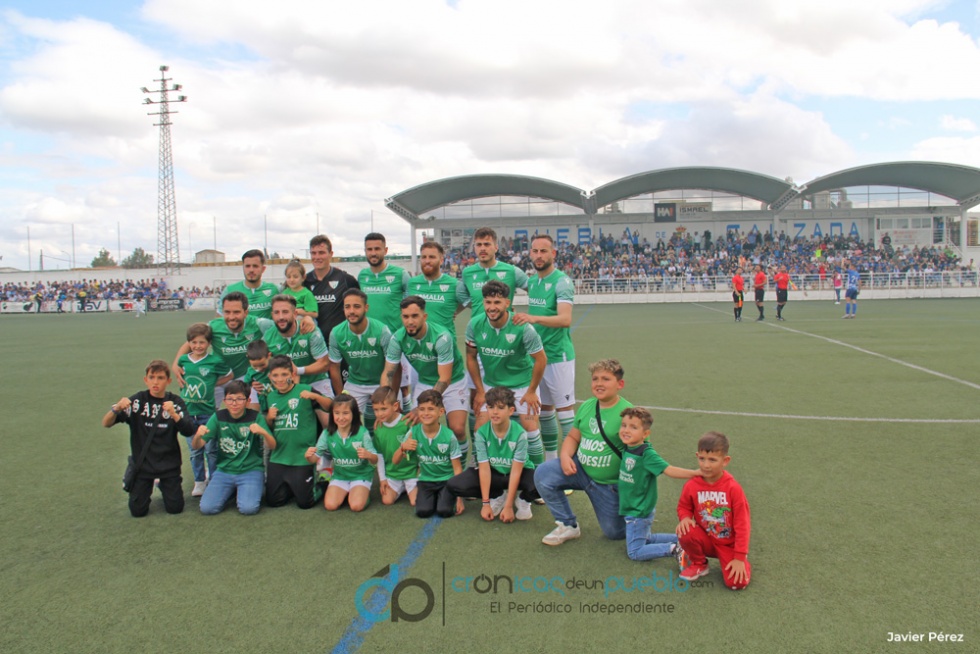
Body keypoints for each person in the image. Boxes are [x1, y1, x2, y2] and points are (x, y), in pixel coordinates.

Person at [533, 359, 633, 546]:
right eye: (595, 379)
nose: (599, 383)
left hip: (608, 484)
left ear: (620, 384)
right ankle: (567, 524)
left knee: (614, 532)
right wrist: (565, 457)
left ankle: (630, 515)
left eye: (606, 379)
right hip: (581, 471)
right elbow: (573, 437)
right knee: (543, 473)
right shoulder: (588, 406)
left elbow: (639, 455)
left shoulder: (628, 414)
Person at [102, 360, 198, 517]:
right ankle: (147, 485)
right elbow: (106, 423)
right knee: (138, 511)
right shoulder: (137, 401)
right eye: (152, 377)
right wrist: (116, 408)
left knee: (175, 508)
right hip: (143, 466)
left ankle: (162, 484)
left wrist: (174, 414)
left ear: (168, 381)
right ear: (145, 380)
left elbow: (188, 431)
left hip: (169, 465)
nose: (155, 382)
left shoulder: (175, 402)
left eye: (160, 378)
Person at [465, 280, 546, 463]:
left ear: (507, 303)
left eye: (497, 302)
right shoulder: (474, 325)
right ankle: (479, 469)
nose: (492, 307)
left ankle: (537, 475)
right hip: (491, 385)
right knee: (480, 428)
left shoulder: (523, 327)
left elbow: (541, 359)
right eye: (488, 302)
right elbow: (470, 357)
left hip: (522, 385)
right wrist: (480, 391)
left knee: (531, 429)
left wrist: (531, 391)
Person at [512, 234, 576, 461]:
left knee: (565, 412)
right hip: (538, 357)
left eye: (544, 251)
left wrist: (533, 318)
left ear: (553, 254)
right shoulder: (532, 282)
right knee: (546, 410)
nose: (539, 256)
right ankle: (551, 461)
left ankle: (572, 465)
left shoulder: (562, 281)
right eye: (535, 251)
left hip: (559, 356)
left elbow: (565, 319)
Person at [382, 296, 469, 457]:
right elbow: (388, 373)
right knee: (416, 429)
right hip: (425, 382)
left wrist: (420, 407)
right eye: (406, 316)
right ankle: (424, 466)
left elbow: (445, 379)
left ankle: (460, 467)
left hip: (453, 383)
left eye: (415, 316)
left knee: (457, 429)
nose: (410, 321)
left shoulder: (442, 337)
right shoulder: (397, 338)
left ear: (424, 316)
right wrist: (384, 403)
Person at [617, 407, 699, 562]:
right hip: (633, 508)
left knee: (635, 552)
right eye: (624, 425)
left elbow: (669, 470)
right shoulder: (628, 447)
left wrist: (695, 473)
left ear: (645, 434)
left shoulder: (646, 454)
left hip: (638, 510)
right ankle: (687, 539)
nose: (626, 430)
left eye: (633, 427)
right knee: (646, 538)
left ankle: (674, 549)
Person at [446, 387, 538, 522]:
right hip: (494, 473)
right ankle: (497, 495)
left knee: (543, 482)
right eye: (490, 407)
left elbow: (516, 471)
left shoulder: (520, 434)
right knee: (455, 484)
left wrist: (508, 507)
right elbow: (484, 468)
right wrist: (486, 504)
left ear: (511, 410)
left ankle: (523, 500)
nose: (494, 412)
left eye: (500, 408)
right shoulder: (482, 433)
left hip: (518, 473)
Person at [676, 431, 752, 590]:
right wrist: (685, 518)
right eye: (702, 458)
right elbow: (684, 506)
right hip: (706, 539)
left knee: (736, 583)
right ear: (697, 456)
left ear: (725, 461)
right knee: (685, 530)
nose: (706, 465)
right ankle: (699, 563)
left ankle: (741, 563)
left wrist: (739, 558)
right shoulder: (692, 485)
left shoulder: (733, 488)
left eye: (712, 460)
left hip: (728, 545)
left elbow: (742, 524)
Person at [193, 380, 275, 515]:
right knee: (207, 508)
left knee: (248, 509)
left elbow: (272, 445)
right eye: (230, 399)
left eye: (239, 399)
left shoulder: (255, 417)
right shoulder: (218, 417)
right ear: (224, 401)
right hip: (224, 471)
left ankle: (252, 486)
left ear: (248, 401)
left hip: (250, 470)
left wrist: (264, 433)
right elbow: (197, 445)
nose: (234, 403)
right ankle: (233, 491)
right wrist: (197, 436)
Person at [264, 355, 333, 509]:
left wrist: (316, 396)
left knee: (305, 503)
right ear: (270, 377)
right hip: (279, 456)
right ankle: (294, 486)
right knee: (273, 501)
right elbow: (269, 427)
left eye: (284, 374)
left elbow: (330, 406)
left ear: (293, 374)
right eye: (275, 375)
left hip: (302, 457)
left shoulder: (305, 390)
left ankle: (324, 480)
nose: (280, 379)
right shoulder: (271, 397)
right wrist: (269, 418)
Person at [176, 323, 233, 496]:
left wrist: (213, 383)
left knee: (211, 449)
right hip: (188, 414)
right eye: (194, 342)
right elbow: (179, 375)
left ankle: (214, 479)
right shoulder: (183, 360)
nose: (198, 346)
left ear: (209, 343)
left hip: (208, 413)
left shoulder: (215, 361)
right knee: (195, 451)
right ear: (189, 343)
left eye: (202, 342)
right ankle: (199, 481)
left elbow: (229, 375)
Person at [395, 390, 464, 519]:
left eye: (431, 409)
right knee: (422, 512)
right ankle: (436, 497)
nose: (426, 413)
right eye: (422, 409)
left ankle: (446, 496)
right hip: (426, 480)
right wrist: (402, 448)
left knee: (445, 511)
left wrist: (459, 498)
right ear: (417, 411)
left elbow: (457, 468)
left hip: (446, 480)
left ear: (441, 412)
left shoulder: (449, 436)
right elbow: (395, 461)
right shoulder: (413, 432)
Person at [328, 289, 392, 422]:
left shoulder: (382, 331)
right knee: (344, 418)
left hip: (381, 382)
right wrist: (341, 397)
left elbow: (393, 366)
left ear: (366, 308)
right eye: (347, 307)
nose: (351, 311)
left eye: (356, 306)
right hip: (355, 383)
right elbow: (334, 367)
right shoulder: (336, 333)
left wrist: (387, 391)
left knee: (388, 420)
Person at [306, 394, 377, 512]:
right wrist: (308, 456)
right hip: (340, 476)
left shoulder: (362, 433)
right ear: (332, 414)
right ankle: (347, 492)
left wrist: (368, 455)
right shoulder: (327, 433)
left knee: (356, 506)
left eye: (345, 413)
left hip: (360, 475)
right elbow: (313, 459)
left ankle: (362, 493)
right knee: (330, 505)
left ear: (354, 414)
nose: (341, 417)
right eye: (337, 413)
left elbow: (375, 459)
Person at [264, 294, 332, 396]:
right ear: (272, 315)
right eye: (276, 312)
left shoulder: (310, 330)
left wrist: (298, 371)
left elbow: (324, 364)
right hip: (286, 386)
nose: (281, 317)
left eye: (285, 312)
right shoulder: (267, 337)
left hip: (316, 382)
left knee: (328, 406)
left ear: (295, 313)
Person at [304, 234, 360, 344]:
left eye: (321, 252)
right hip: (313, 343)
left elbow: (359, 307)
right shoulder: (304, 281)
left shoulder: (346, 280)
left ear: (331, 254)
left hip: (341, 342)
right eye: (313, 253)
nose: (317, 257)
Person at [369, 387, 416, 506]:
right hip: (392, 474)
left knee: (415, 502)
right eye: (376, 410)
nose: (379, 414)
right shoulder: (378, 428)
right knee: (387, 501)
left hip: (411, 472)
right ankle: (402, 487)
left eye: (383, 409)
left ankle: (411, 486)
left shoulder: (406, 423)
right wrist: (382, 479)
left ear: (395, 406)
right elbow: (379, 455)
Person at [359, 233, 412, 333]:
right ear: (365, 251)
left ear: (385, 250)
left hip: (394, 335)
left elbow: (413, 304)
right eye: (369, 249)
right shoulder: (362, 275)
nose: (373, 253)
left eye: (377, 249)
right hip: (369, 335)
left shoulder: (400, 274)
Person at [407, 241, 462, 336]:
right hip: (418, 342)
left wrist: (454, 310)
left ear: (441, 260)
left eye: (432, 257)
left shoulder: (454, 284)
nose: (427, 261)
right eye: (424, 257)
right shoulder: (412, 283)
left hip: (444, 342)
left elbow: (469, 302)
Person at [220, 249, 280, 320]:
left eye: (255, 266)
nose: (251, 270)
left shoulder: (275, 289)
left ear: (263, 269)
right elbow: (219, 318)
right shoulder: (229, 291)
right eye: (247, 266)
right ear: (243, 268)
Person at [243, 340, 273, 410]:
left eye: (262, 365)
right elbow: (245, 385)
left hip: (279, 401)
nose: (259, 369)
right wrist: (251, 384)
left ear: (269, 356)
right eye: (255, 366)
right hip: (263, 404)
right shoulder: (250, 371)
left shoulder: (276, 366)